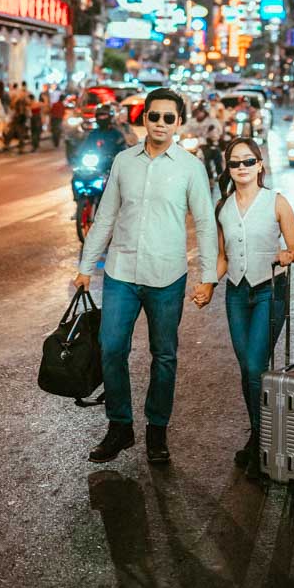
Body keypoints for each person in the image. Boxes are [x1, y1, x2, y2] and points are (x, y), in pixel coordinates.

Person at [74, 87, 219, 467]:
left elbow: (205, 224)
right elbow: (105, 216)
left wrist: (208, 277)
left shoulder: (190, 167)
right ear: (144, 118)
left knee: (164, 355)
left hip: (167, 275)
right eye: (154, 116)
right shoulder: (124, 162)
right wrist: (86, 267)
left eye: (169, 118)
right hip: (121, 272)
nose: (160, 124)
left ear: (178, 122)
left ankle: (157, 430)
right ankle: (120, 426)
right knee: (111, 348)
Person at [215, 136, 294, 480]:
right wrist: (206, 284)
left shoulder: (276, 202)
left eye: (248, 161)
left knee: (255, 365)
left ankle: (262, 441)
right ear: (228, 168)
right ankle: (258, 436)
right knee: (247, 369)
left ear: (260, 165)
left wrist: (287, 254)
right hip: (236, 294)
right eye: (235, 162)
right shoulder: (223, 207)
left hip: (270, 291)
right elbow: (222, 257)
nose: (242, 167)